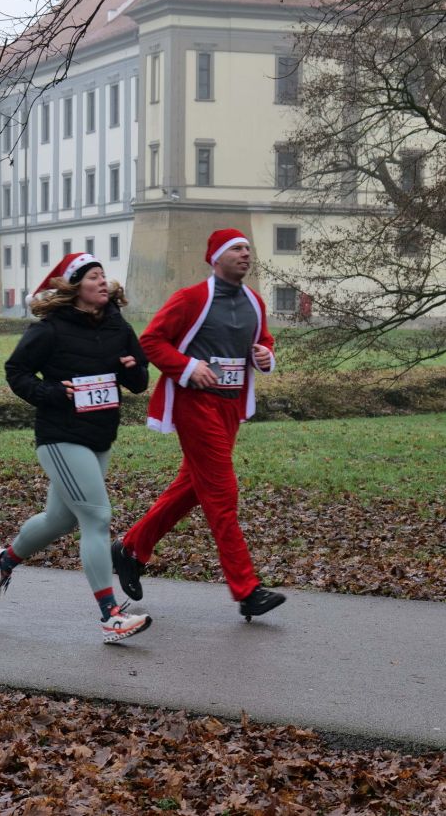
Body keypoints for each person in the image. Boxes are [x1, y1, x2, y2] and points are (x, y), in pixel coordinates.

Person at [110, 228, 286, 620]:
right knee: (222, 494)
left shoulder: (254, 301)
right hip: (195, 405)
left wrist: (264, 355)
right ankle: (247, 589)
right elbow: (151, 342)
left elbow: (266, 342)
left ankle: (130, 548)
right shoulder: (190, 299)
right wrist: (188, 368)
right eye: (237, 249)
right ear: (216, 257)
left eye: (247, 249)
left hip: (229, 408)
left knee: (192, 487)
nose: (245, 255)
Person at [0, 251, 153, 643]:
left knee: (59, 519)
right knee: (97, 517)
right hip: (60, 435)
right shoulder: (50, 329)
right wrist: (53, 392)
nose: (101, 282)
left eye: (103, 275)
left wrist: (132, 369)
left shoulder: (117, 325)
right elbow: (16, 372)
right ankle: (110, 615)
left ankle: (3, 560)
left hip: (99, 435)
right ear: (76, 287)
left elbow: (140, 380)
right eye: (93, 276)